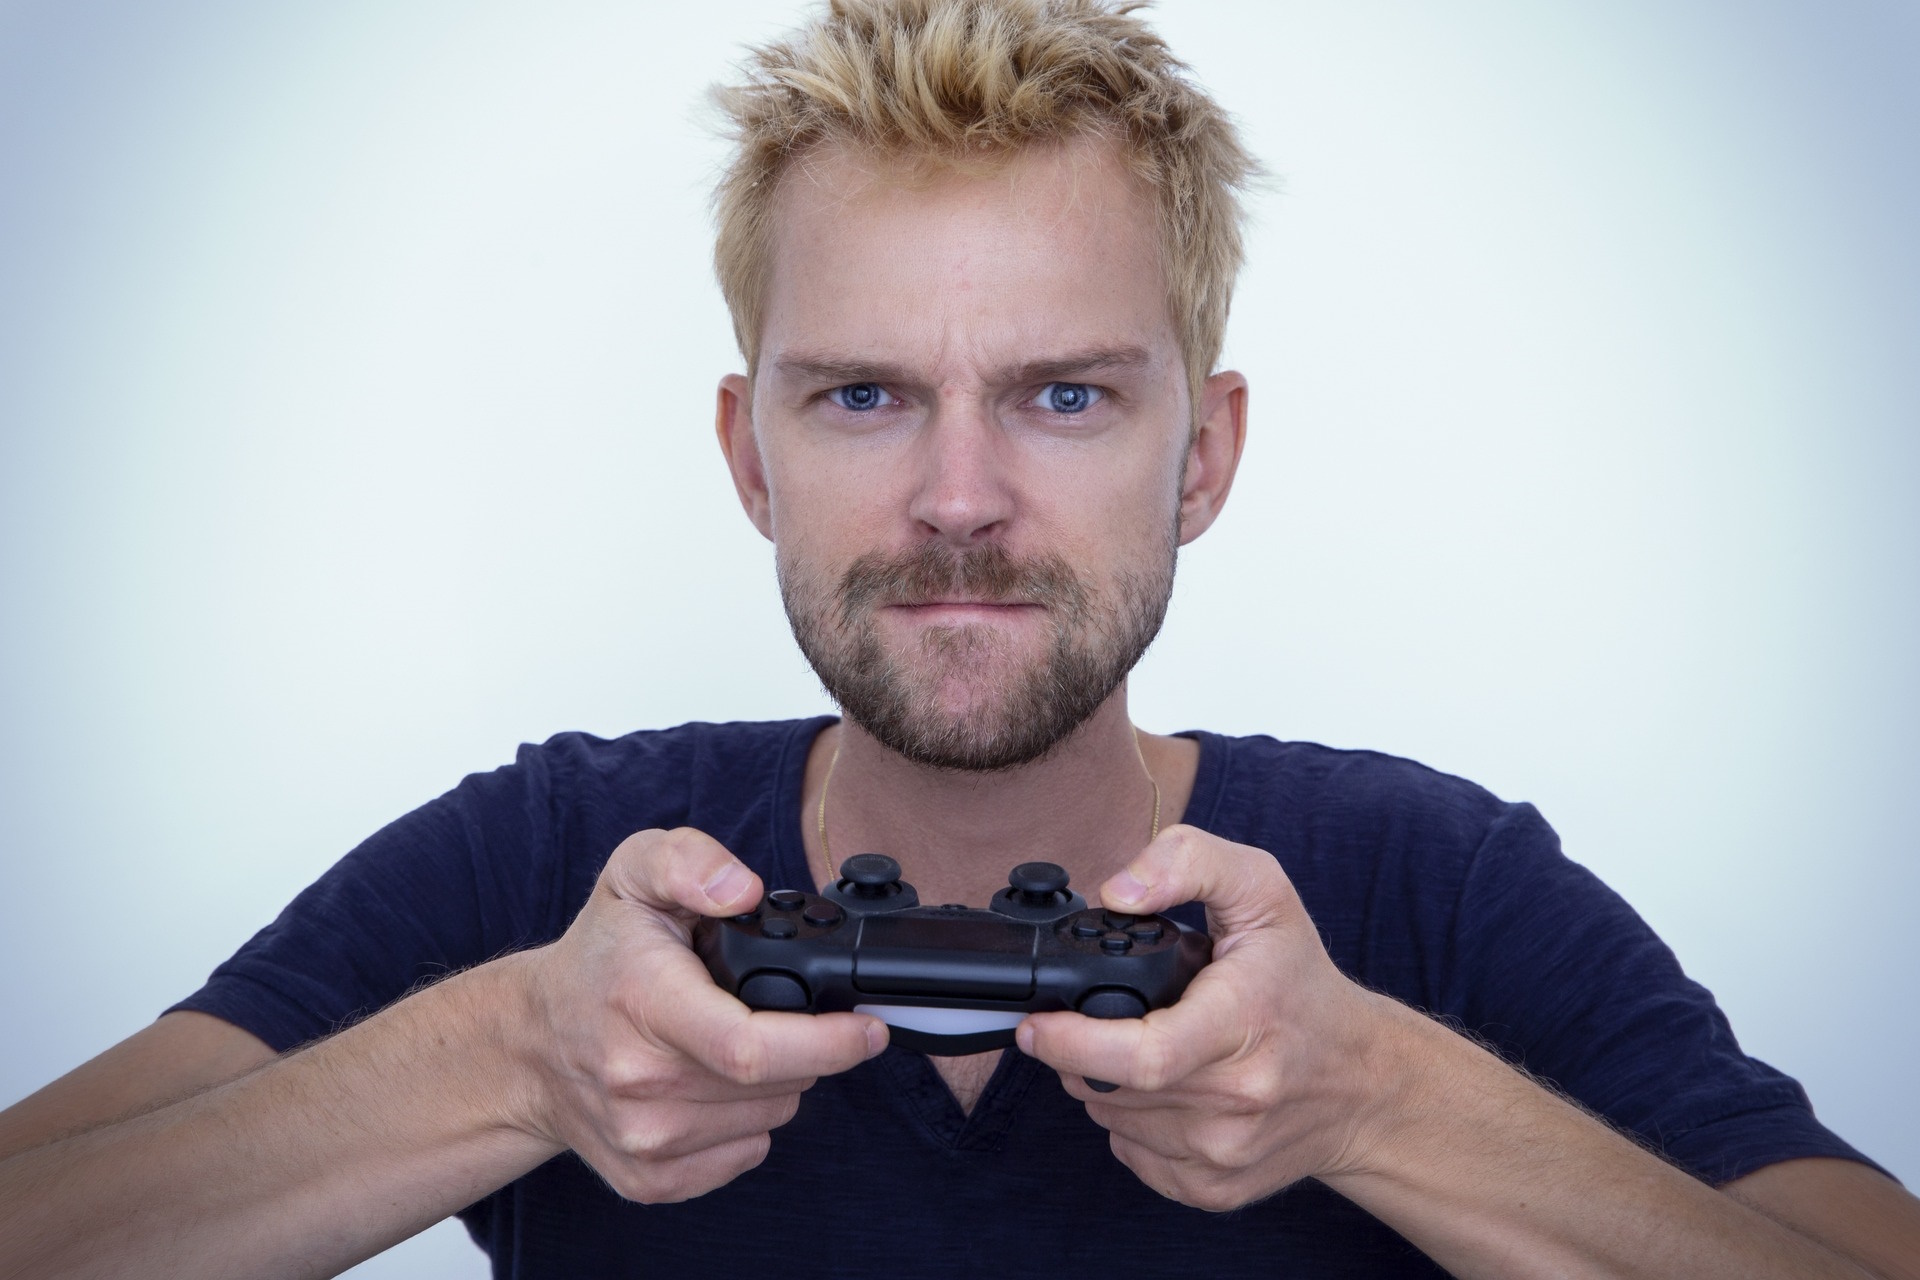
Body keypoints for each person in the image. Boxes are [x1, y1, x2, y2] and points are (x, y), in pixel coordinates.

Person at [1, 1, 1916, 1275]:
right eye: (864, 397)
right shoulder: (542, 870)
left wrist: (1380, 1100)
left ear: (1204, 455)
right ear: (749, 456)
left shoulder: (1441, 890)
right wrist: (513, 1057)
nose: (960, 498)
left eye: (1065, 397)